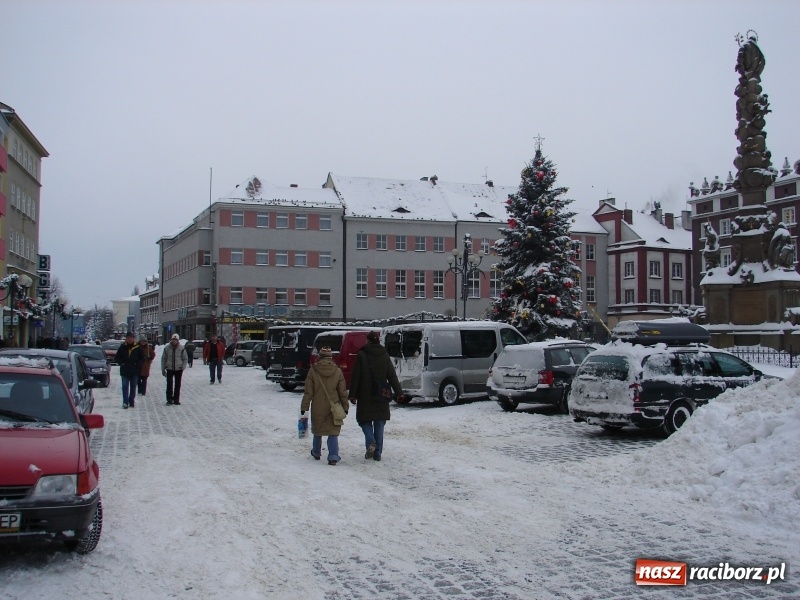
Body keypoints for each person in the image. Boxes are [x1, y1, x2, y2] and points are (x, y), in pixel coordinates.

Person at [348, 331, 403, 462]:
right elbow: (392, 375)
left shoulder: (361, 355)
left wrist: (353, 394)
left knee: (364, 421)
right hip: (381, 394)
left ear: (368, 341)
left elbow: (356, 376)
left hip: (365, 394)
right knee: (379, 422)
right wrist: (399, 392)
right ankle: (377, 454)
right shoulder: (385, 355)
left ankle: (371, 441)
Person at [301, 346, 349, 465]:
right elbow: (342, 392)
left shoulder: (313, 371)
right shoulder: (337, 371)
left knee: (318, 429)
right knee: (333, 431)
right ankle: (333, 455)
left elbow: (308, 392)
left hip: (317, 405)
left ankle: (316, 452)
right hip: (334, 406)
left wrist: (304, 407)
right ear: (331, 357)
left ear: (320, 357)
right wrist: (345, 407)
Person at [115, 332, 144, 409]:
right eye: (128, 338)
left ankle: (131, 401)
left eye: (131, 337)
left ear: (133, 338)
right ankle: (125, 401)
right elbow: (117, 357)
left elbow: (142, 358)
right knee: (125, 386)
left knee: (133, 386)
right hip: (125, 370)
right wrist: (121, 363)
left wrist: (138, 364)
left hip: (135, 371)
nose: (130, 339)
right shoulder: (122, 347)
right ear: (126, 339)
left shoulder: (137, 347)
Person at [161, 333, 188, 405]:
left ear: (178, 340)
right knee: (169, 384)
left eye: (176, 340)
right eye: (173, 340)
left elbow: (185, 358)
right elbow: (163, 359)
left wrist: (183, 367)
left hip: (178, 369)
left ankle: (176, 399)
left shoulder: (182, 348)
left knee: (177, 384)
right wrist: (163, 369)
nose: (174, 341)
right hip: (169, 368)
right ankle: (169, 399)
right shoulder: (167, 348)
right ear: (171, 340)